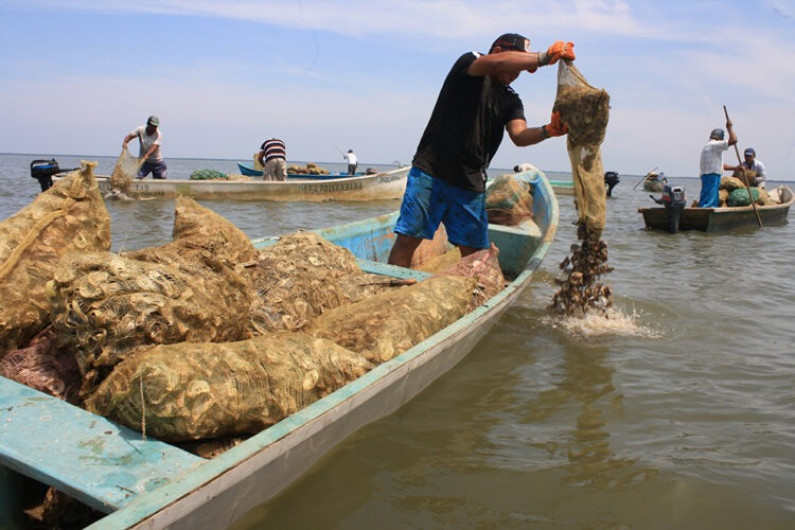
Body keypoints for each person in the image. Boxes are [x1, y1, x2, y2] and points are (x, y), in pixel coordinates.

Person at [387, 33, 575, 268]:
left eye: (520, 70)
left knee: (476, 255)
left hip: (470, 184)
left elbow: (519, 135)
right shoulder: (471, 63)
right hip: (431, 173)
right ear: (497, 51)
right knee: (408, 239)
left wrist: (548, 131)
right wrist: (544, 57)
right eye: (516, 64)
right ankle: (391, 284)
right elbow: (496, 64)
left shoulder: (511, 100)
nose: (516, 74)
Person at [698, 122, 737, 207]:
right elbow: (733, 140)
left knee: (710, 196)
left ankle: (708, 210)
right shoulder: (714, 144)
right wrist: (729, 128)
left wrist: (735, 168)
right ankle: (705, 212)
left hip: (709, 175)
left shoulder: (710, 146)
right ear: (720, 138)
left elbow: (721, 165)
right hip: (712, 175)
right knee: (709, 199)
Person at [123, 115, 167, 179]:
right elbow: (130, 136)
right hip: (143, 161)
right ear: (148, 124)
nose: (154, 128)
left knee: (161, 178)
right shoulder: (140, 130)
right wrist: (125, 142)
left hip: (157, 162)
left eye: (155, 126)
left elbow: (154, 146)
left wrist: (147, 155)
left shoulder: (159, 134)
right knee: (138, 177)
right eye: (152, 126)